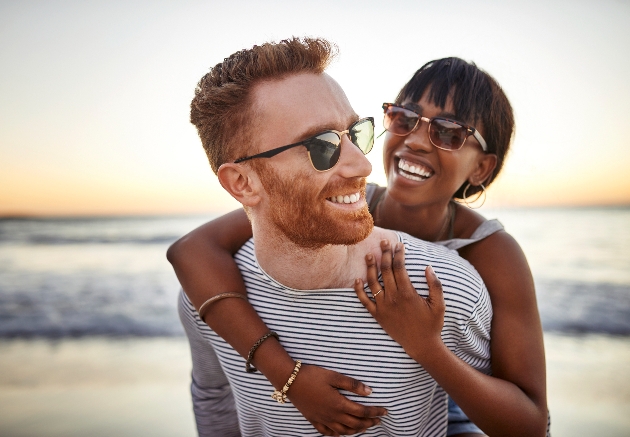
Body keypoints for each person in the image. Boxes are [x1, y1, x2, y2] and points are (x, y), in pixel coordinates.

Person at [174, 37, 496, 437]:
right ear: (241, 182)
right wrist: (285, 376)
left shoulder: (445, 289)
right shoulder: (207, 296)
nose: (362, 164)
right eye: (321, 146)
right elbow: (212, 395)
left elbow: (511, 423)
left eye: (356, 134)